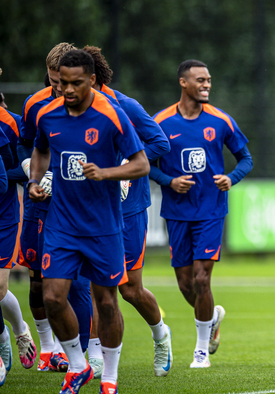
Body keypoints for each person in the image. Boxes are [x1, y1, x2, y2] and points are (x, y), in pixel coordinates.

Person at [29, 49, 149, 393]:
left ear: (92, 80)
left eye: (75, 83)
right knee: (52, 296)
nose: (67, 90)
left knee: (108, 302)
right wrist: (36, 182)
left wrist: (108, 172)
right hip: (62, 223)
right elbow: (40, 149)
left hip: (103, 226)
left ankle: (109, 376)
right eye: (62, 83)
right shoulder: (48, 115)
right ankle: (78, 365)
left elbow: (141, 164)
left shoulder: (113, 115)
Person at [150, 59, 252, 368]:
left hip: (211, 210)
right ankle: (212, 318)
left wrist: (230, 178)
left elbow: (245, 158)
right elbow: (144, 163)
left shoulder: (221, 121)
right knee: (185, 284)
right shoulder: (161, 122)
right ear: (183, 83)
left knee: (201, 277)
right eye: (200, 80)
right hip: (177, 211)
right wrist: (169, 181)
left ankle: (201, 351)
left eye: (209, 80)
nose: (207, 84)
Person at [81, 45, 173, 378]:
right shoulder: (73, 110)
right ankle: (94, 357)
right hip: (93, 210)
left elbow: (160, 143)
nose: (67, 89)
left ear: (92, 77)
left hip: (129, 210)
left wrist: (125, 161)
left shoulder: (126, 106)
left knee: (129, 288)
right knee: (95, 285)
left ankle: (161, 335)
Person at [19, 42, 93, 372]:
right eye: (53, 81)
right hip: (41, 205)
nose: (59, 88)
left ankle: (89, 355)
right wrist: (31, 171)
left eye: (63, 81)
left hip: (78, 206)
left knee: (78, 283)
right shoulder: (35, 105)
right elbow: (27, 145)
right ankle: (48, 349)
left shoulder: (101, 105)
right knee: (38, 281)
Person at [0, 85, 37, 372]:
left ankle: (19, 329)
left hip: (4, 213)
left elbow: (21, 169)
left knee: (0, 288)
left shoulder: (10, 123)